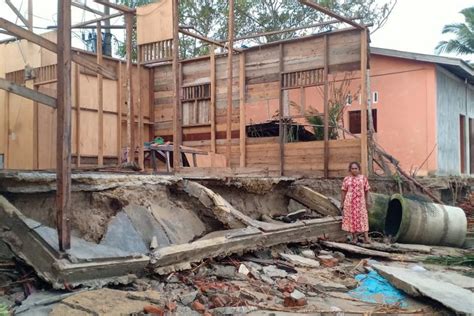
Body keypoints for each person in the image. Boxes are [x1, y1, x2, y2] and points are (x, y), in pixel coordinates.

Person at [341, 161, 371, 244]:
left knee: (363, 218)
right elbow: (343, 191)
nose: (354, 170)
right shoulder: (347, 179)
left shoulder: (363, 178)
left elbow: (367, 190)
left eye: (356, 168)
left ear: (359, 169)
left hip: (360, 202)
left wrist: (367, 200)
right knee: (352, 219)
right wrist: (342, 203)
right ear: (350, 170)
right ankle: (354, 238)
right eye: (352, 168)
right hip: (350, 203)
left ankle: (366, 238)